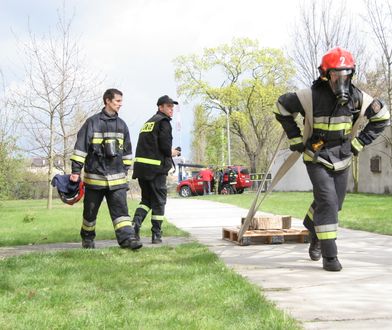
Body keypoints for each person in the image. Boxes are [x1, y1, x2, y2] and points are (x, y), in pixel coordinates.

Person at [274, 47, 390, 271]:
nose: (342, 80)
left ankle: (312, 226)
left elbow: (382, 116)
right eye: (337, 75)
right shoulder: (309, 96)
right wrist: (295, 137)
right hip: (316, 156)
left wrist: (359, 143)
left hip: (343, 156)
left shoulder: (358, 97)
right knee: (327, 200)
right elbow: (280, 106)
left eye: (346, 74)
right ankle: (330, 255)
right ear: (325, 74)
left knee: (334, 204)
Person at [70, 88, 142, 250]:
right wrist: (75, 171)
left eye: (121, 101)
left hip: (117, 181)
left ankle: (128, 240)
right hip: (95, 179)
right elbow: (80, 148)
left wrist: (124, 172)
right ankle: (87, 239)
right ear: (107, 101)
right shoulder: (92, 123)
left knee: (122, 214)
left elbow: (127, 152)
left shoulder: (122, 125)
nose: (120, 104)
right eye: (117, 101)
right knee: (90, 214)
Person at [131, 95, 181, 244]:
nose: (171, 109)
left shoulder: (149, 123)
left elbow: (151, 145)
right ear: (160, 107)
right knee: (159, 202)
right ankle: (156, 235)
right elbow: (165, 148)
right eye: (169, 106)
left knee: (146, 200)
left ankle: (135, 225)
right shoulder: (164, 122)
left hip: (141, 169)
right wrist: (174, 152)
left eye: (172, 106)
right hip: (156, 170)